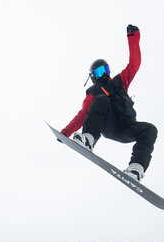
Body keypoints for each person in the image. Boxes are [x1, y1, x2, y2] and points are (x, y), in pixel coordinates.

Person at [60, 24, 158, 182]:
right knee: (101, 99)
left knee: (150, 129)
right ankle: (89, 139)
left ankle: (135, 169)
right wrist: (65, 132)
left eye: (105, 69)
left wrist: (133, 38)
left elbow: (134, 64)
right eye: (99, 72)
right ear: (94, 76)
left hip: (126, 127)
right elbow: (83, 115)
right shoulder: (95, 92)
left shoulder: (120, 82)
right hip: (108, 125)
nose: (103, 74)